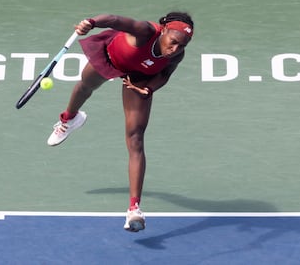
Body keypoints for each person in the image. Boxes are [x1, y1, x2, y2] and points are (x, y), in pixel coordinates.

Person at [47, 12, 194, 232]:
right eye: (173, 42)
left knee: (136, 138)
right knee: (84, 87)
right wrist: (92, 23)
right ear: (163, 31)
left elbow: (164, 75)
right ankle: (70, 118)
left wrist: (149, 88)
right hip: (112, 57)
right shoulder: (145, 31)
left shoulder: (175, 56)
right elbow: (116, 20)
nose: (175, 49)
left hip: (138, 78)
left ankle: (134, 209)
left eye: (182, 46)